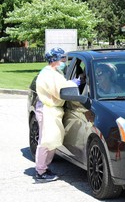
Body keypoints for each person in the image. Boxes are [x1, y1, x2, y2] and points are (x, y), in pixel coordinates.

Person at [35, 47, 79, 182]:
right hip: (48, 109)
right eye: (62, 58)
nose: (64, 61)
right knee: (46, 141)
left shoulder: (54, 72)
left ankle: (44, 167)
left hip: (52, 109)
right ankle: (41, 171)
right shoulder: (48, 74)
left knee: (52, 140)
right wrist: (74, 83)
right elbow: (59, 89)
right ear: (54, 59)